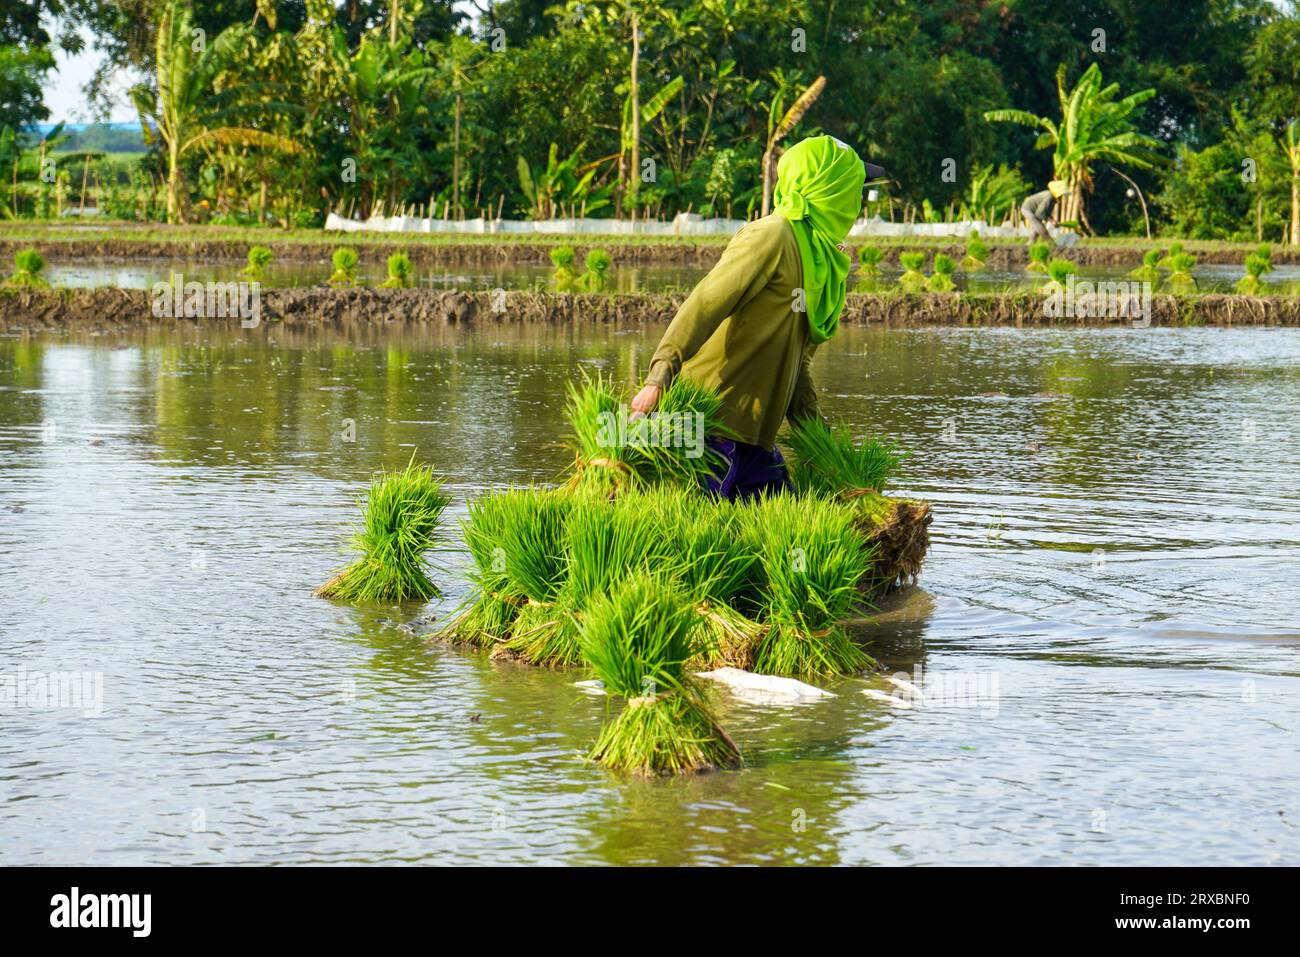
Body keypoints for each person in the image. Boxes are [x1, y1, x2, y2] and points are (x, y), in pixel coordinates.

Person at [628, 135, 872, 500]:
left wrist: (822, 447)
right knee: (688, 536)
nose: (857, 203)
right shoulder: (772, 235)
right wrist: (659, 376)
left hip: (756, 442)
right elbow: (706, 302)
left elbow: (796, 368)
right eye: (853, 189)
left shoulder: (819, 260)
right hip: (710, 427)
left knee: (783, 533)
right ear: (831, 189)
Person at [1021, 180, 1071, 245]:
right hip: (1028, 209)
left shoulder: (1052, 199)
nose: (1062, 197)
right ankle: (1051, 244)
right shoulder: (1049, 197)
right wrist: (1051, 221)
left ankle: (1029, 245)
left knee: (1036, 228)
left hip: (1033, 212)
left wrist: (1052, 220)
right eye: (1061, 195)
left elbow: (1046, 213)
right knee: (1040, 228)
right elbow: (1040, 213)